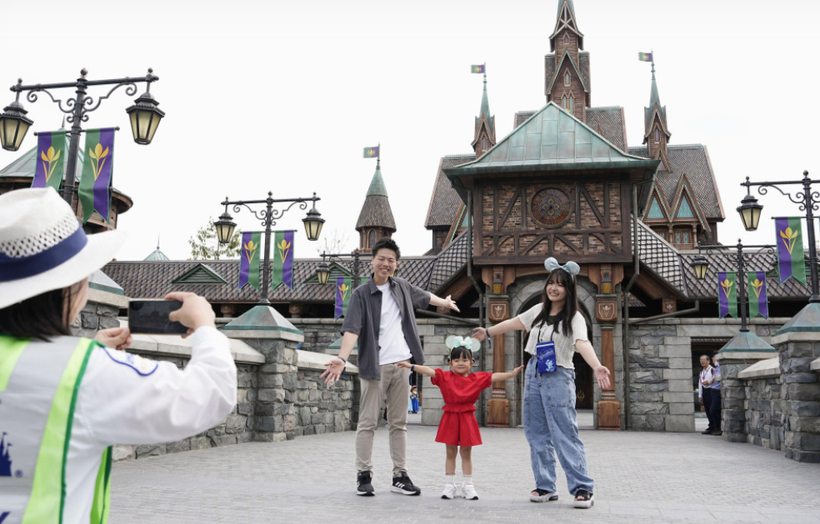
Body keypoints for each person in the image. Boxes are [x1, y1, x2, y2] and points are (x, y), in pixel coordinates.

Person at [0, 188, 237, 524]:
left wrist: (88, 352)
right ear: (71, 289)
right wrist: (205, 327)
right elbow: (209, 395)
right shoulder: (88, 374)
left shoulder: (84, 368)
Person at [321, 237, 460, 497]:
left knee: (399, 423)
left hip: (403, 364)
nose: (386, 264)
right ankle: (364, 475)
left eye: (391, 260)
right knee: (368, 422)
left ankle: (400, 476)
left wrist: (444, 302)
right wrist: (342, 358)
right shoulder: (362, 293)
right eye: (381, 259)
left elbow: (425, 297)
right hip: (376, 366)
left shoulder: (402, 287)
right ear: (372, 261)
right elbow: (352, 329)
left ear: (397, 264)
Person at [472, 257, 610, 509]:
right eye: (551, 283)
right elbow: (516, 322)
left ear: (569, 289)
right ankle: (546, 485)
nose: (554, 288)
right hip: (535, 371)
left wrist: (596, 365)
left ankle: (583, 488)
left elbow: (582, 343)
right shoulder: (538, 311)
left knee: (564, 432)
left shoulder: (575, 318)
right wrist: (488, 332)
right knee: (536, 431)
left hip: (558, 374)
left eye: (560, 284)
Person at [398, 336, 522, 500]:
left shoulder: (476, 379)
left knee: (466, 452)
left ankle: (468, 485)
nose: (460, 363)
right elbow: (429, 371)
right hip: (450, 417)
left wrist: (511, 374)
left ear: (472, 363)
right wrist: (411, 366)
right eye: (456, 360)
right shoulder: (444, 377)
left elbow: (493, 377)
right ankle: (449, 485)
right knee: (450, 452)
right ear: (450, 363)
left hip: (467, 418)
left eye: (465, 359)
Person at [698, 354, 721, 436]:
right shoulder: (701, 372)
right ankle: (711, 426)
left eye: (704, 360)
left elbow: (714, 380)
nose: (702, 362)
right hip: (705, 391)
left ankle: (716, 426)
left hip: (711, 390)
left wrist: (709, 382)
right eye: (701, 360)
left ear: (708, 361)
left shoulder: (712, 370)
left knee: (713, 409)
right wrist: (700, 395)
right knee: (707, 409)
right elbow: (700, 384)